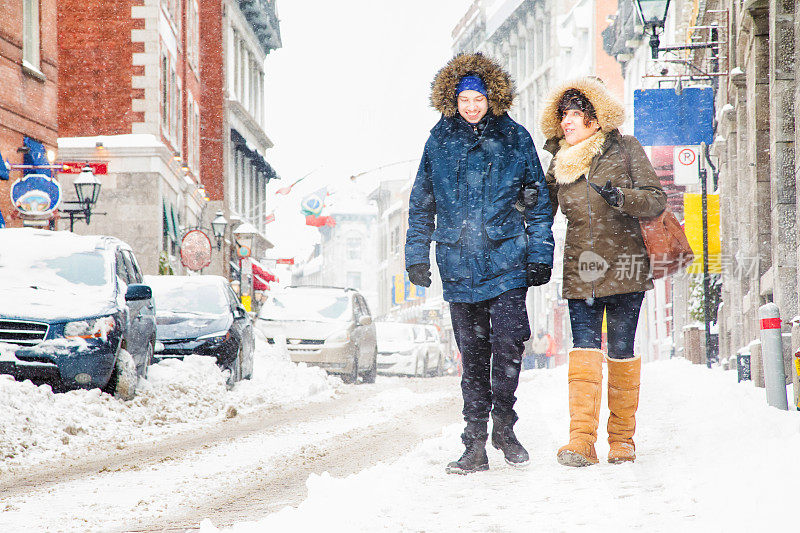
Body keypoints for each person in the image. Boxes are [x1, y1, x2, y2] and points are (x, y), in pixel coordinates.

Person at [405, 53, 555, 474]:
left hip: (506, 259)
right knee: (472, 356)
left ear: (492, 98)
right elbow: (422, 204)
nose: (472, 105)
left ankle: (504, 426)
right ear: (454, 100)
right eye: (465, 99)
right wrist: (416, 256)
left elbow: (539, 204)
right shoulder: (438, 141)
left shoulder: (516, 138)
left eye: (479, 98)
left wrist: (540, 253)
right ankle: (474, 444)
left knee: (508, 346)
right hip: (458, 263)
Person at [539, 77, 667, 467]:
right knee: (584, 352)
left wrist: (622, 198)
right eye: (564, 115)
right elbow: (540, 210)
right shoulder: (559, 161)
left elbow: (656, 201)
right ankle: (581, 440)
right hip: (583, 269)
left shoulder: (625, 149)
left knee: (622, 352)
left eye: (576, 114)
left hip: (625, 269)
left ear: (596, 120)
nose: (568, 122)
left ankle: (622, 440)